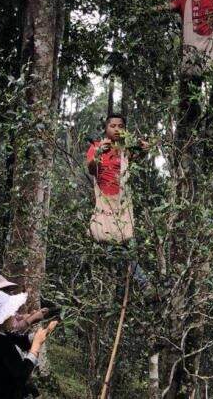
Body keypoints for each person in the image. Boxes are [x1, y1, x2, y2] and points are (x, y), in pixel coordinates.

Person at [86, 114, 155, 297]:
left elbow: (135, 160)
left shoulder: (124, 151)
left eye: (120, 126)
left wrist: (144, 149)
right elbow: (92, 169)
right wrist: (100, 153)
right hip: (105, 205)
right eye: (113, 126)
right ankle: (143, 284)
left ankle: (121, 295)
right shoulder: (96, 147)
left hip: (123, 205)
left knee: (128, 251)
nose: (117, 129)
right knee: (114, 252)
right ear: (106, 128)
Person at [0, 290, 58, 399]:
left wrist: (45, 331)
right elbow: (21, 375)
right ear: (5, 317)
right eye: (11, 313)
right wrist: (35, 348)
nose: (14, 315)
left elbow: (21, 341)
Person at [0, 275, 48, 357]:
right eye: (5, 290)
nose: (9, 293)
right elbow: (12, 328)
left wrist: (31, 315)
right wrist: (33, 319)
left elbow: (16, 317)